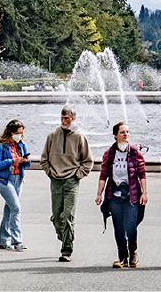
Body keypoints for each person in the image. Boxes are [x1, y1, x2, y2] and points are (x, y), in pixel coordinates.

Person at [40, 105, 93, 262]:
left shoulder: (80, 137)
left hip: (71, 180)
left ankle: (66, 250)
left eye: (67, 118)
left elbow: (88, 161)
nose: (63, 121)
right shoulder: (52, 135)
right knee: (57, 217)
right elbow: (44, 158)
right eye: (62, 118)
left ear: (73, 119)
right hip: (55, 180)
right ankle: (64, 236)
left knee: (68, 215)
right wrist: (49, 172)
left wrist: (78, 175)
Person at [95, 122, 148, 268]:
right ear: (115, 135)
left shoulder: (135, 152)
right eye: (123, 132)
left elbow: (142, 174)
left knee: (131, 226)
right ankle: (122, 257)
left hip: (132, 195)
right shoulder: (109, 153)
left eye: (128, 132)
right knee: (118, 227)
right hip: (114, 195)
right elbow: (103, 175)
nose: (126, 135)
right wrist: (99, 194)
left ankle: (134, 253)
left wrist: (144, 193)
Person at [0, 120, 31, 251]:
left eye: (21, 133)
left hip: (18, 179)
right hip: (4, 180)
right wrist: (13, 161)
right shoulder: (1, 146)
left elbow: (27, 165)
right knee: (16, 207)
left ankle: (3, 241)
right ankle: (17, 241)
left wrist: (26, 160)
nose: (19, 136)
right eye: (17, 133)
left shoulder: (22, 145)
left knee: (9, 210)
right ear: (10, 132)